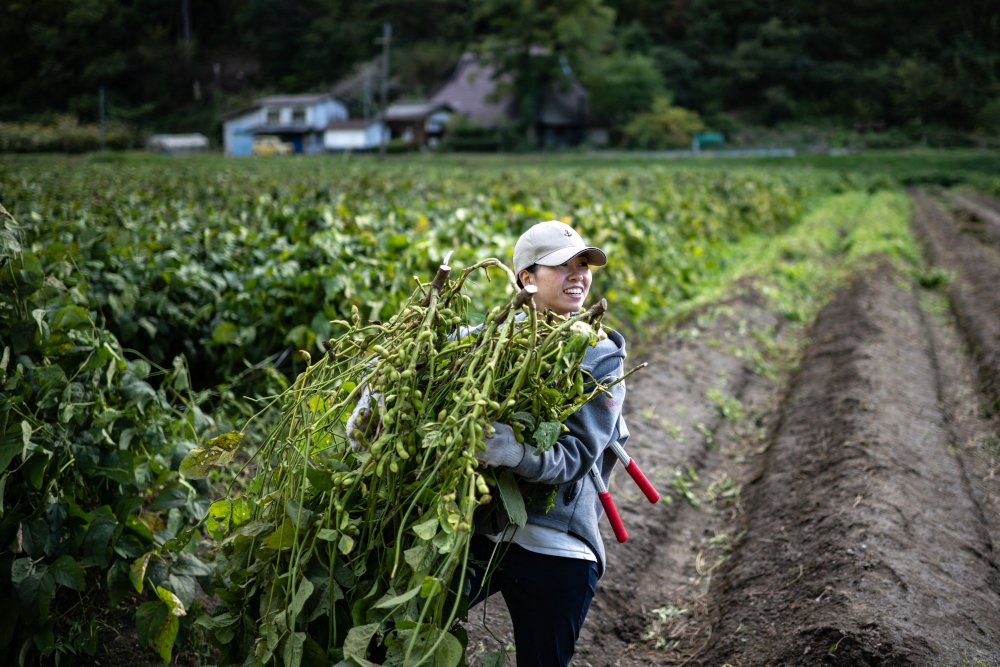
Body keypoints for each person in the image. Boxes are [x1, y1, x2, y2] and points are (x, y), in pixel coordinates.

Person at [468, 220, 630, 667]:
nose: (578, 275)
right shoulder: (492, 338)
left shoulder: (602, 357)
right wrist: (376, 404)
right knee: (411, 628)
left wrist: (514, 452)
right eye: (562, 265)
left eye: (584, 265)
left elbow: (577, 454)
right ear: (526, 278)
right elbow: (425, 370)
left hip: (559, 548)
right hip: (484, 533)